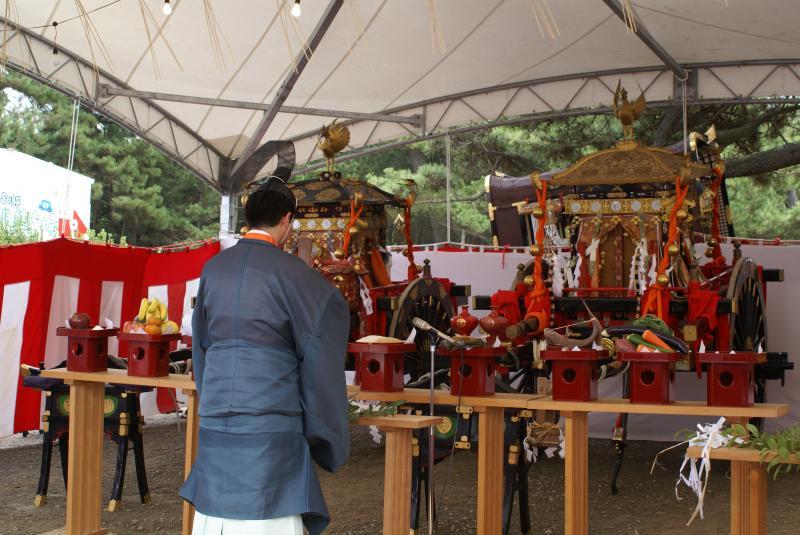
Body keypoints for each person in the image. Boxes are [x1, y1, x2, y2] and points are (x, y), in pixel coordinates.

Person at [180, 176, 350, 535]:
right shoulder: (296, 276)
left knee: (217, 518)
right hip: (270, 415)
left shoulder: (213, 269)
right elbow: (324, 343)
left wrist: (213, 400)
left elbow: (202, 347)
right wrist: (324, 433)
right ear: (287, 220)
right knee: (270, 518)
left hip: (217, 416)